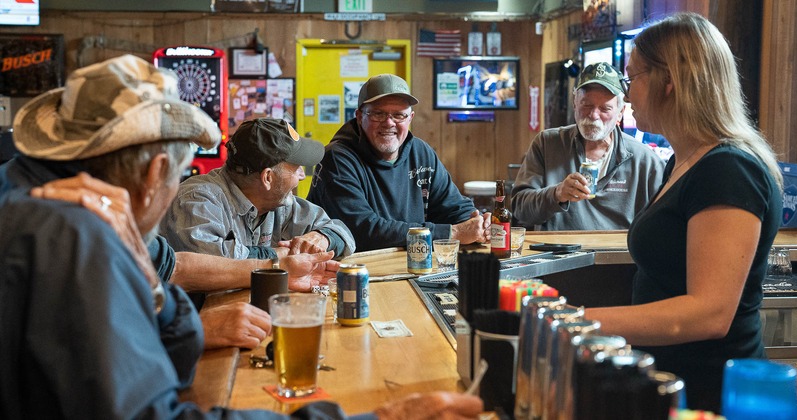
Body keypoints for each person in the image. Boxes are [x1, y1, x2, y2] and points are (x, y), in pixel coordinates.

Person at [0, 54, 482, 419]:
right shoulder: (73, 232)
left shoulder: (66, 203)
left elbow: (166, 270)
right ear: (157, 174)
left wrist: (191, 326)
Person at [583, 13, 782, 413]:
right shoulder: (684, 161)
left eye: (632, 77)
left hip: (710, 391)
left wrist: (580, 320)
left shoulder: (728, 168)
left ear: (669, 80)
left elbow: (708, 313)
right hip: (673, 382)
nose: (627, 92)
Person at [30, 172, 341, 350]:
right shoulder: (73, 221)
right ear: (156, 170)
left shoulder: (102, 214)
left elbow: (176, 267)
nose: (302, 174)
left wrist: (278, 270)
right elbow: (89, 351)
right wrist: (195, 328)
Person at [306, 73, 491, 251]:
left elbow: (452, 206)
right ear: (360, 116)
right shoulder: (337, 159)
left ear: (410, 118)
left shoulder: (421, 152)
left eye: (399, 115)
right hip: (351, 270)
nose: (389, 122)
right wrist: (455, 233)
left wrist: (479, 222)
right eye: (378, 114)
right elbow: (363, 231)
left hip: (411, 260)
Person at [160, 117, 356, 261]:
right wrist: (282, 255)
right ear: (268, 177)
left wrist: (322, 238)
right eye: (296, 167)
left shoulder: (280, 203)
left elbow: (343, 232)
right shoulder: (197, 200)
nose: (302, 175)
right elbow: (212, 263)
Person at [511, 62, 665, 230]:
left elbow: (662, 226)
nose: (593, 115)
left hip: (618, 255)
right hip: (559, 254)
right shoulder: (547, 144)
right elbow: (520, 210)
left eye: (605, 109)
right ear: (574, 102)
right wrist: (557, 194)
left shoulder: (645, 161)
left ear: (620, 112)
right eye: (587, 105)